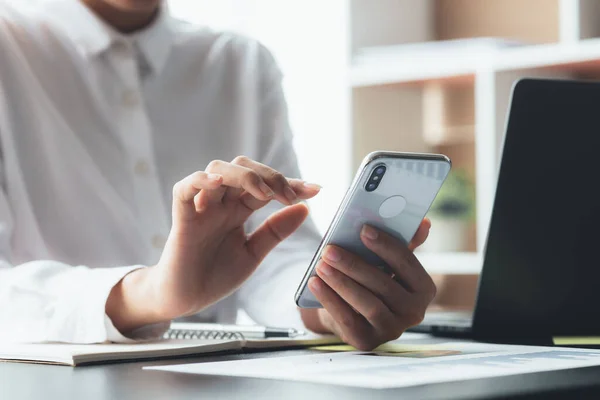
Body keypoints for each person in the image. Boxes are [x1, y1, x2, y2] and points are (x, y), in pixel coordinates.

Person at [0, 0, 436, 350]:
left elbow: (270, 255)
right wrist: (147, 293)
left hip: (214, 378)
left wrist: (329, 303)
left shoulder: (240, 62)